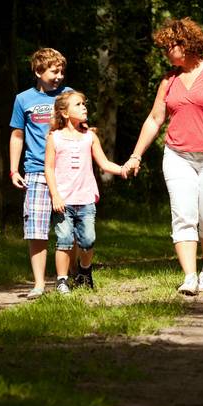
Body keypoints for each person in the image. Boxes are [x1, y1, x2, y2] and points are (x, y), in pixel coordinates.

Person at [123, 18, 203, 295]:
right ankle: (189, 276)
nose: (165, 53)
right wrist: (136, 156)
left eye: (168, 47)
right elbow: (154, 120)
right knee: (183, 215)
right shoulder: (169, 80)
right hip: (178, 155)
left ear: (185, 44)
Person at [45, 90, 127, 295]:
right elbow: (48, 168)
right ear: (64, 113)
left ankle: (84, 271)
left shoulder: (90, 137)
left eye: (84, 104)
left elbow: (105, 163)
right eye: (78, 104)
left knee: (88, 240)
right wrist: (55, 195)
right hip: (63, 200)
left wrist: (123, 169)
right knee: (64, 240)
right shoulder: (54, 138)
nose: (84, 107)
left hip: (86, 199)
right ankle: (62, 280)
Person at [9, 48, 73, 299]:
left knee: (69, 229)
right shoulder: (23, 99)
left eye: (61, 72)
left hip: (66, 173)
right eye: (54, 72)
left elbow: (82, 127)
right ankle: (38, 283)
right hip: (35, 171)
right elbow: (17, 134)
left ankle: (66, 278)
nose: (59, 76)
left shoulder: (68, 95)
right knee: (36, 230)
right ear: (38, 71)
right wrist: (14, 169)